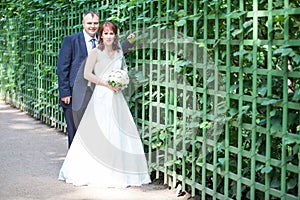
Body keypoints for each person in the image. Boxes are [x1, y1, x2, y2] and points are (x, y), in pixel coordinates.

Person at [58, 21, 151, 187]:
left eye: (112, 33)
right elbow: (87, 74)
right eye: (106, 33)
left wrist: (120, 84)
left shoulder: (118, 52)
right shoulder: (95, 52)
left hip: (116, 97)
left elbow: (123, 73)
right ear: (101, 35)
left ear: (115, 35)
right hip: (101, 96)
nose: (109, 36)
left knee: (119, 132)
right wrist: (105, 83)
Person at [57, 10, 135, 148]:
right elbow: (62, 67)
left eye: (95, 23)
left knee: (92, 133)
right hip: (75, 94)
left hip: (96, 95)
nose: (92, 26)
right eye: (89, 23)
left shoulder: (103, 40)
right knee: (74, 132)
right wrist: (65, 92)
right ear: (83, 23)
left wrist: (127, 43)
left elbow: (112, 53)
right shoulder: (71, 40)